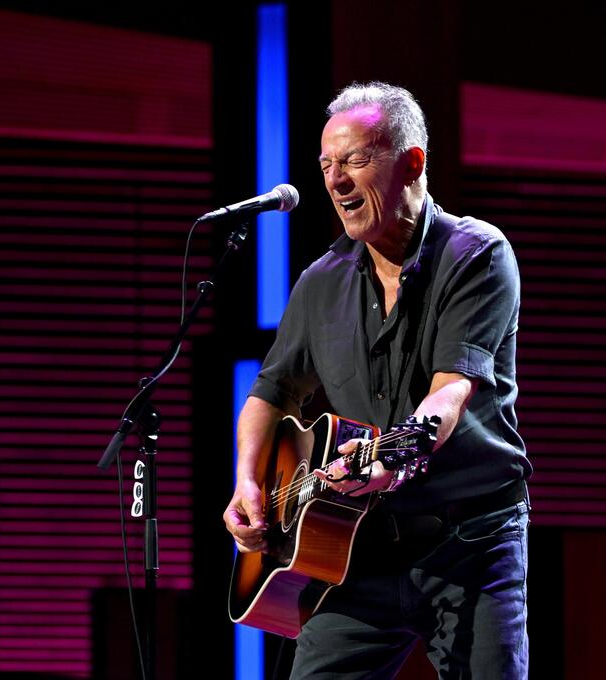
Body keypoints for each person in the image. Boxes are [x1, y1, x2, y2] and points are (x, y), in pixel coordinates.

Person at [223, 81, 532, 679]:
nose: (336, 181)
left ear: (412, 162)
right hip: (353, 548)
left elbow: (451, 389)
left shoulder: (476, 253)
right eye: (326, 165)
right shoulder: (322, 279)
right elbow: (270, 391)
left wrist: (402, 450)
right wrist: (246, 483)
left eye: (356, 161)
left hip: (469, 542)